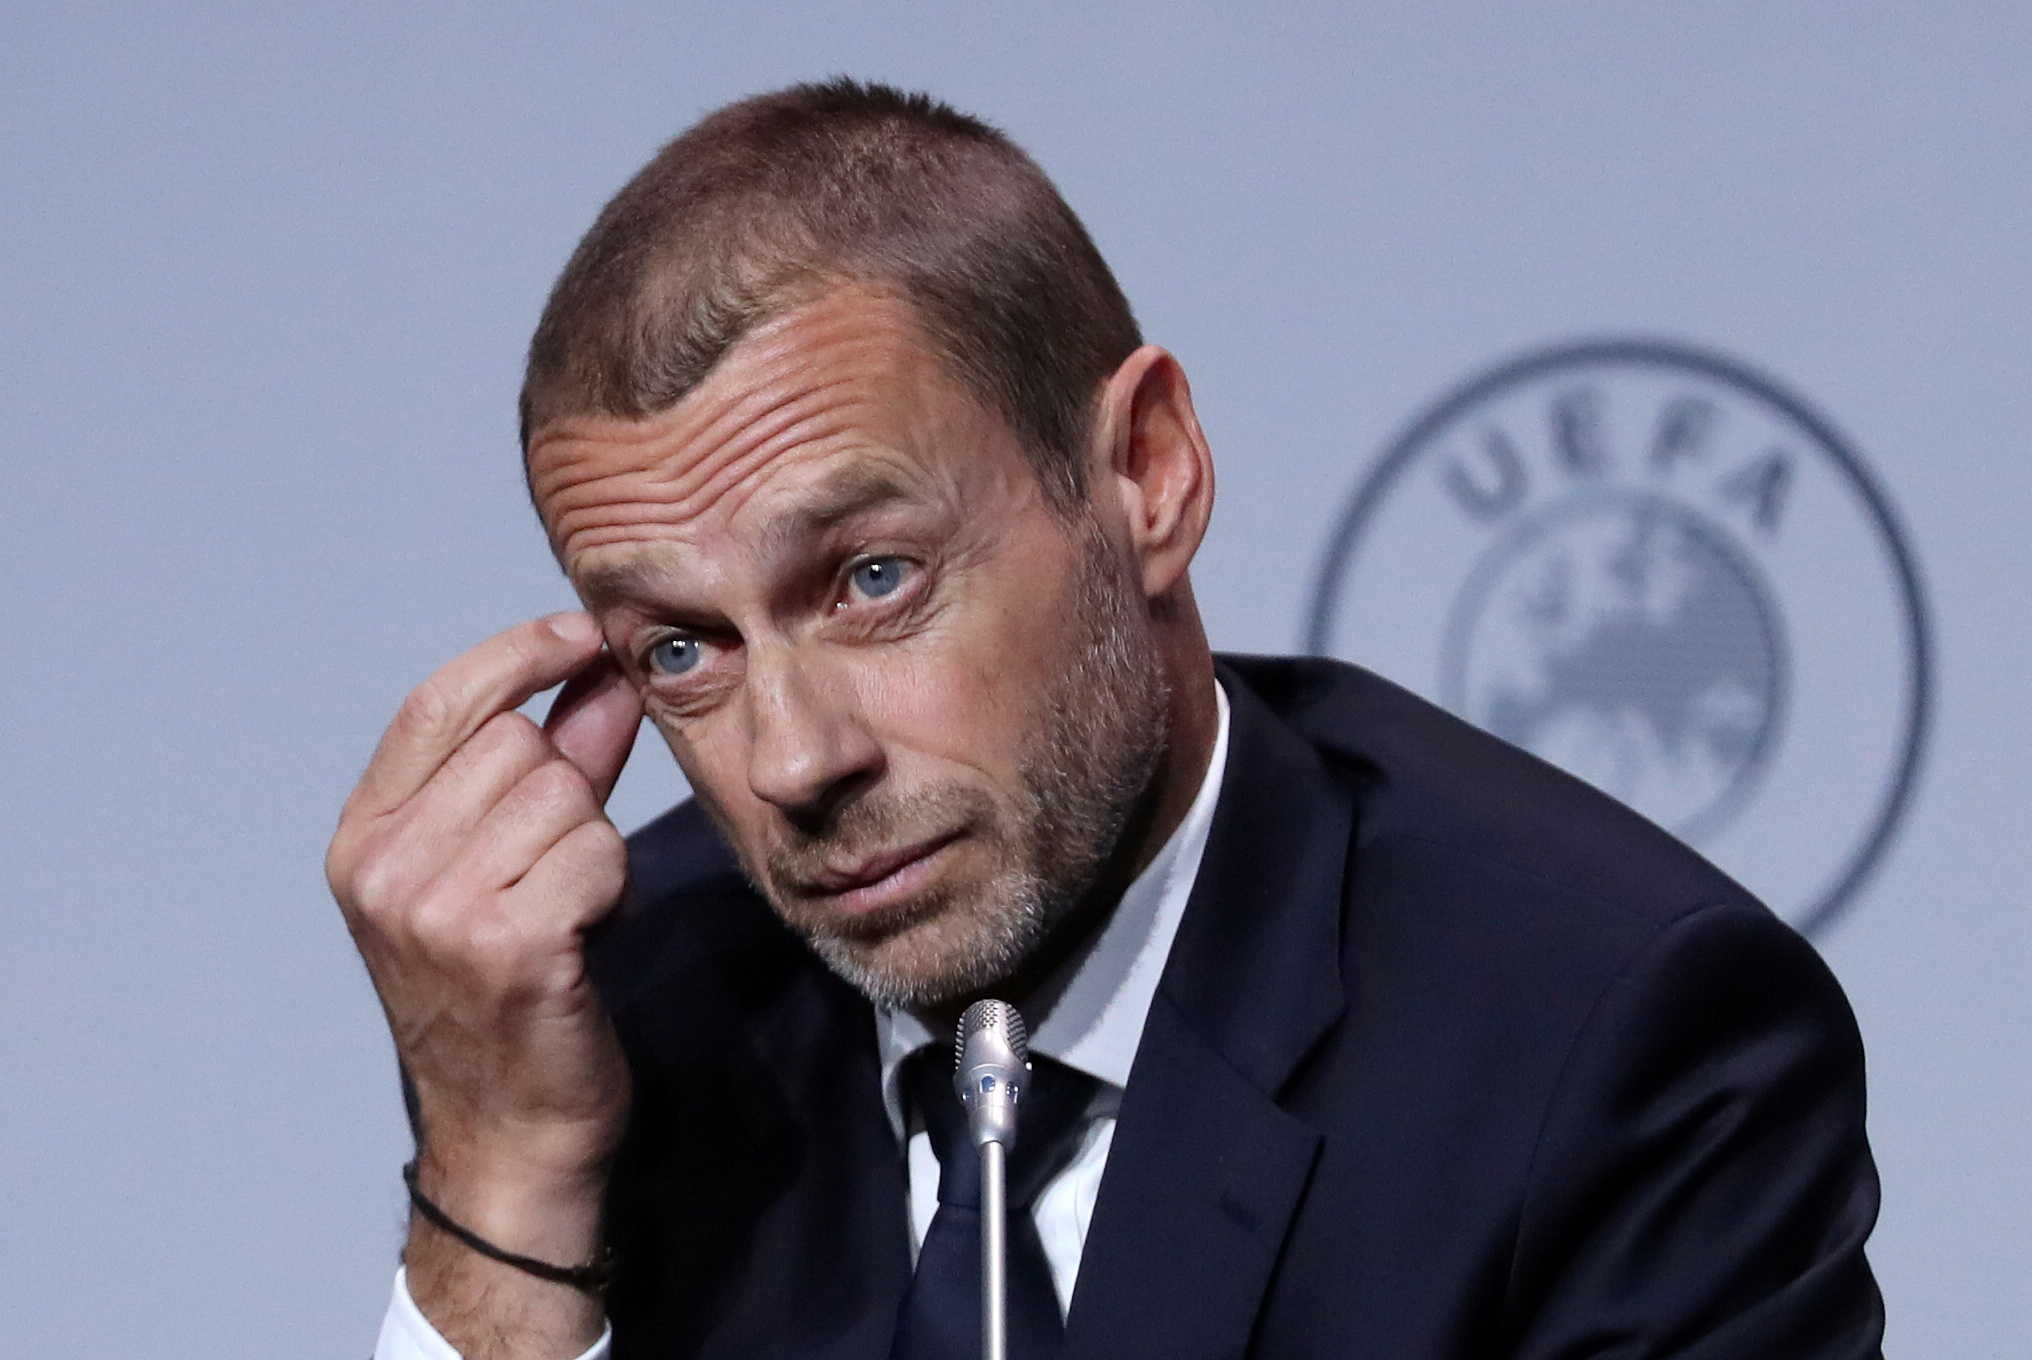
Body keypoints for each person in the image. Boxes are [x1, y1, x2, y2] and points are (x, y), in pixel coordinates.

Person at [329, 80, 1885, 1359]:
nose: (793, 762)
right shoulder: (604, 1035)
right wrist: (501, 1190)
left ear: (1147, 472)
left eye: (872, 578)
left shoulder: (1606, 1038)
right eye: (682, 650)